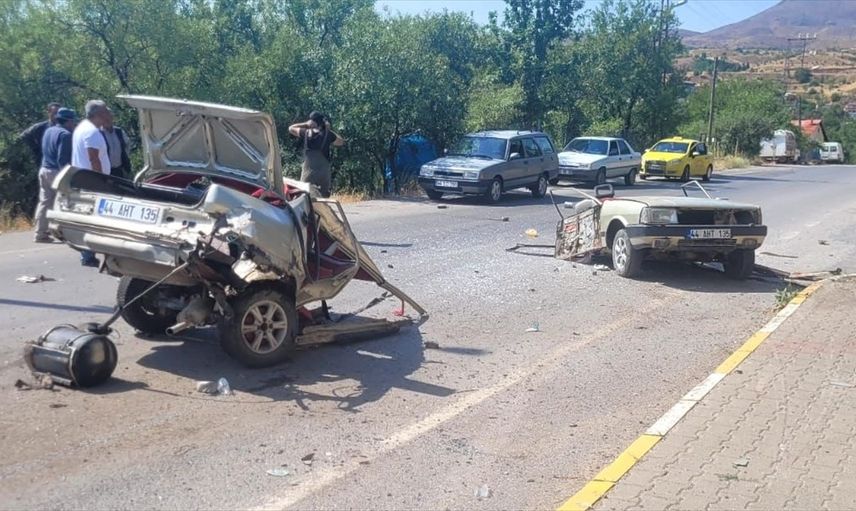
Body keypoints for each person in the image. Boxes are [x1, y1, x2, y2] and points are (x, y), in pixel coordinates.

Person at [72, 99, 112, 267]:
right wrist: (100, 181)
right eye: (106, 111)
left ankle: (88, 255)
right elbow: (94, 158)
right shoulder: (92, 132)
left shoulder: (82, 128)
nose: (109, 114)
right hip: (92, 182)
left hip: (83, 180)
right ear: (100, 114)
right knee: (97, 220)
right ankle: (92, 255)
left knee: (88, 219)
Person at [33, 108, 77, 243]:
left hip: (44, 169)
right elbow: (62, 160)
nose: (74, 124)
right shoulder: (65, 135)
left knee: (45, 202)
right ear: (68, 121)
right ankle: (64, 232)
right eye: (73, 121)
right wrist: (68, 177)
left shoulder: (49, 130)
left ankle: (40, 233)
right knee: (65, 202)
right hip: (56, 172)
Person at [288, 112, 345, 197]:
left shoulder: (305, 132)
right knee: (323, 198)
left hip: (308, 173)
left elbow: (291, 128)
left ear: (312, 121)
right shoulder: (328, 134)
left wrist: (305, 124)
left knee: (305, 196)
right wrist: (328, 129)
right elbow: (341, 142)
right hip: (323, 174)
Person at [101, 109, 132, 178]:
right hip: (106, 172)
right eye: (105, 118)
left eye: (109, 117)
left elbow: (128, 144)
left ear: (112, 118)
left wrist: (125, 156)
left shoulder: (119, 131)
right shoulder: (99, 134)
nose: (107, 120)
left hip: (120, 169)